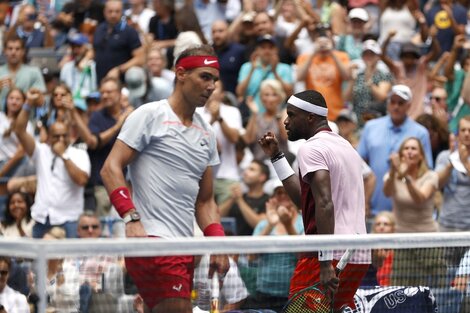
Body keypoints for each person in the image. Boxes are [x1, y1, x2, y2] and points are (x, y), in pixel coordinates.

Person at [100, 44, 230, 313]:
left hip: (184, 249)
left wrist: (218, 243)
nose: (211, 86)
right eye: (204, 77)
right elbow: (110, 168)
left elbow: (205, 202)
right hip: (152, 242)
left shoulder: (207, 134)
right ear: (180, 73)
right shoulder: (149, 115)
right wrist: (131, 218)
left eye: (214, 80)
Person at [258, 90, 370, 312]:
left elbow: (325, 203)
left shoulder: (311, 148)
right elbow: (306, 202)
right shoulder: (345, 147)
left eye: (291, 115)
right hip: (358, 255)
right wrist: (277, 158)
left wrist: (325, 261)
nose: (286, 121)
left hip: (327, 254)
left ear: (310, 117)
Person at [14, 88, 91, 238]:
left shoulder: (79, 153)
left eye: (64, 136)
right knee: (38, 262)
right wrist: (28, 103)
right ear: (48, 137)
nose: (61, 140)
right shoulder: (41, 151)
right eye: (56, 136)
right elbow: (19, 131)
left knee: (68, 261)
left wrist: (63, 155)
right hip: (42, 217)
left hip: (69, 219)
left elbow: (82, 180)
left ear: (70, 136)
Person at [357, 84, 433, 218]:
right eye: (392, 102)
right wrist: (363, 200)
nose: (396, 106)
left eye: (401, 103)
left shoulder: (420, 133)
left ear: (409, 105)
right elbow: (359, 166)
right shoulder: (370, 127)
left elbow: (426, 170)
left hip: (407, 211)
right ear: (387, 103)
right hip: (373, 207)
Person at [383, 136, 445, 287]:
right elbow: (387, 192)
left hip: (428, 241)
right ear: (401, 154)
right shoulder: (392, 176)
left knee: (433, 289)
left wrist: (405, 176)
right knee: (401, 289)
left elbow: (420, 198)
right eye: (406, 148)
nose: (410, 152)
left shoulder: (431, 176)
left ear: (421, 155)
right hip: (402, 241)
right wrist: (393, 171)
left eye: (414, 148)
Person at [244, 180, 304, 312]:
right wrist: (270, 224)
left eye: (287, 192)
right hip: (264, 295)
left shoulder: (303, 223)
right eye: (279, 193)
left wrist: (288, 225)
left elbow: (302, 256)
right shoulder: (263, 224)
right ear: (274, 198)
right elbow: (250, 257)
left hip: (293, 295)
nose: (283, 196)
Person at [92, 0, 144, 83]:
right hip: (100, 82)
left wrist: (119, 69)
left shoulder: (129, 31)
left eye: (117, 11)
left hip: (121, 83)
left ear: (122, 12)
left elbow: (140, 58)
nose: (113, 15)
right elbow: (94, 50)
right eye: (110, 11)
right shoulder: (99, 29)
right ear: (104, 12)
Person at [0, 35, 46, 111]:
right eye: (10, 48)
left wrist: (15, 90)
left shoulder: (34, 72)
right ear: (5, 51)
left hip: (27, 121)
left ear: (23, 51)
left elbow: (40, 103)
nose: (13, 52)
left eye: (17, 49)